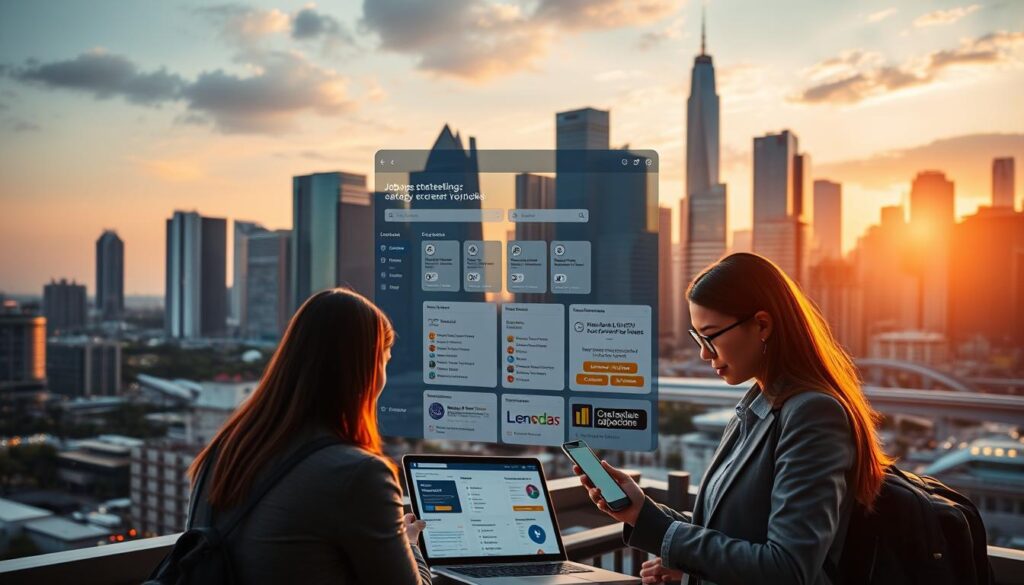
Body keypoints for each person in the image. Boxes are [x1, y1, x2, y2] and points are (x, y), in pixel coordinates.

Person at [575, 253, 891, 585]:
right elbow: (730, 533)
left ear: (762, 325)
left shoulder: (812, 414)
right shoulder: (757, 406)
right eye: (698, 338)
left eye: (710, 336)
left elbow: (786, 569)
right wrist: (642, 512)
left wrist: (669, 539)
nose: (703, 353)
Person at [187, 288, 431, 584]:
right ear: (366, 369)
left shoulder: (227, 449)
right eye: (385, 360)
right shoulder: (358, 473)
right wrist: (410, 546)